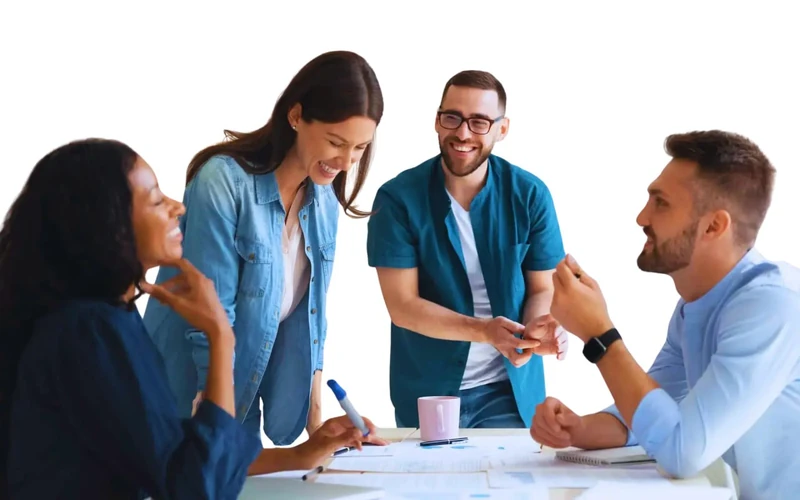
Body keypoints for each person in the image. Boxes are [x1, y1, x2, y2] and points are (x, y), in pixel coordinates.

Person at [0, 139, 378, 499]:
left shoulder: (111, 315)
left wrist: (300, 455)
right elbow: (196, 487)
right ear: (105, 223)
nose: (177, 207)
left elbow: (173, 449)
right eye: (154, 200)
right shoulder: (90, 332)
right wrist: (220, 337)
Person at [532, 130, 800, 499]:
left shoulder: (772, 307)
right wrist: (579, 429)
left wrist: (600, 335)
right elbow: (655, 404)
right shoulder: (697, 306)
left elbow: (682, 451)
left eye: (661, 203)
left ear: (713, 226)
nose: (642, 217)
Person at [141, 50, 384, 451]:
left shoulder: (322, 197)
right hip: (185, 397)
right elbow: (211, 315)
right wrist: (216, 424)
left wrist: (317, 426)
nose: (345, 161)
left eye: (359, 148)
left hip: (240, 394)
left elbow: (313, 317)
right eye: (336, 142)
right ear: (296, 117)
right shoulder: (223, 183)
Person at [366, 70, 568, 430]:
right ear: (437, 121)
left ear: (501, 130)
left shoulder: (531, 195)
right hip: (429, 393)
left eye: (479, 122)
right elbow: (403, 307)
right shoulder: (397, 199)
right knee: (432, 485)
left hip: (509, 390)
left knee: (512, 485)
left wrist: (535, 329)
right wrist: (485, 331)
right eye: (452, 118)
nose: (462, 133)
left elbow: (543, 287)